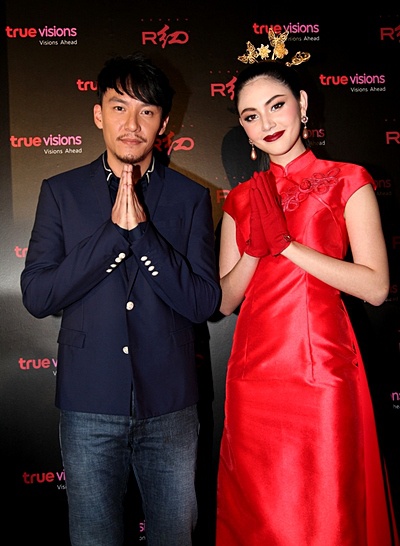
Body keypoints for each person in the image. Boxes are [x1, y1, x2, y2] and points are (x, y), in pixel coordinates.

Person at [20, 52, 221, 546]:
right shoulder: (61, 192)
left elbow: (202, 303)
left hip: (171, 406)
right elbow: (38, 294)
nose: (132, 124)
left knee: (175, 536)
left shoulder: (191, 197)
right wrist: (112, 236)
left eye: (146, 111)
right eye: (119, 108)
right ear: (98, 114)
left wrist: (144, 237)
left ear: (164, 123)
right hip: (88, 402)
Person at [215, 34, 399, 546]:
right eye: (251, 116)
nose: (267, 123)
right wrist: (256, 251)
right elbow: (226, 301)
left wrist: (288, 246)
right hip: (253, 378)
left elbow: (375, 286)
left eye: (276, 106)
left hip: (322, 375)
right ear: (244, 129)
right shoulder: (241, 199)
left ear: (301, 103)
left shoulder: (347, 180)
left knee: (324, 516)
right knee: (261, 520)